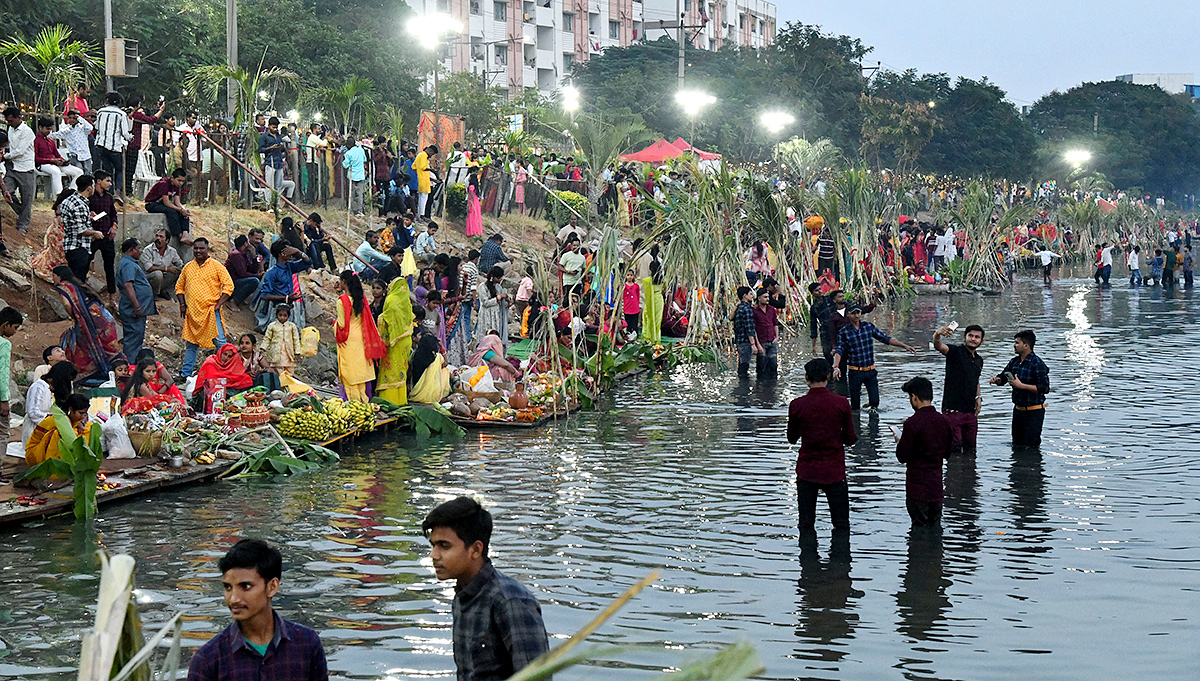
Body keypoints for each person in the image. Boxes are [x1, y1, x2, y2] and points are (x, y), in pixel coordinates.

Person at [422, 497, 549, 681]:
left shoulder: (511, 602)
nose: (434, 555)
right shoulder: (462, 597)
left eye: (444, 546)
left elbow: (537, 677)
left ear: (475, 549)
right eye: (433, 545)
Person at [187, 538, 328, 681]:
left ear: (272, 587)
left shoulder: (307, 644)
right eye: (228, 587)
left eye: (246, 586)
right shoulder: (208, 660)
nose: (234, 598)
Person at [787, 358, 856, 543]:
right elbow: (850, 439)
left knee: (806, 525)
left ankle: (809, 567)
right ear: (828, 376)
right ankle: (840, 566)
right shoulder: (841, 404)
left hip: (807, 470)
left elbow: (791, 438)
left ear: (807, 378)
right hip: (834, 470)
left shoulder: (797, 405)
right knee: (841, 525)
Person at [832, 305, 918, 412]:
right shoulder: (844, 332)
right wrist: (836, 367)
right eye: (853, 313)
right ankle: (856, 424)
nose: (856, 315)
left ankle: (872, 419)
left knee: (875, 402)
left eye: (858, 313)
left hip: (870, 370)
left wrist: (904, 346)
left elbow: (885, 338)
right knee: (855, 405)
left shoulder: (868, 327)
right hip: (855, 372)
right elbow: (839, 350)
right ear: (848, 315)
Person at [896, 376, 953, 527]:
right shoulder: (945, 421)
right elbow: (948, 453)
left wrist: (900, 442)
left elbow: (902, 456)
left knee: (919, 531)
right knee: (935, 528)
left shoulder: (911, 424)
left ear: (914, 397)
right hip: (936, 488)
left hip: (917, 488)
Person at [176, 238, 235, 378]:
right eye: (195, 248)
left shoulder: (217, 266)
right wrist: (182, 304)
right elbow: (179, 287)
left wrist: (219, 304)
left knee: (221, 343)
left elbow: (229, 286)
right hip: (192, 314)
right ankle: (186, 375)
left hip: (210, 312)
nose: (198, 251)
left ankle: (228, 373)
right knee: (191, 345)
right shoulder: (188, 267)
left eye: (201, 248)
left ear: (207, 249)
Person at [53, 266, 121, 381]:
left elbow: (67, 304)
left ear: (59, 276)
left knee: (82, 343)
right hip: (102, 316)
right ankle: (114, 370)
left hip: (89, 319)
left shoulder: (64, 286)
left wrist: (74, 318)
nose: (53, 279)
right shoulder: (78, 284)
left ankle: (92, 372)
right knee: (107, 346)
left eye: (53, 276)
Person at [990, 329, 1050, 448]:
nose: (1015, 345)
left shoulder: (1037, 363)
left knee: (1031, 446)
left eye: (1017, 343)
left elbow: (1045, 388)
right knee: (1017, 445)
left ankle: (1032, 466)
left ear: (1026, 345)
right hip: (1018, 410)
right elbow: (1004, 377)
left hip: (1034, 411)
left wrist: (1021, 386)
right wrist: (998, 380)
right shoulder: (1014, 362)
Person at [334, 271, 386, 402]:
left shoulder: (342, 301)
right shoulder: (361, 298)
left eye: (340, 280)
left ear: (344, 282)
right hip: (361, 337)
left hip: (348, 339)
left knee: (350, 371)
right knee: (360, 369)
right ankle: (364, 400)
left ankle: (351, 401)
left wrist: (332, 323)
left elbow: (341, 324)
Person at [933, 324, 984, 456]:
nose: (973, 339)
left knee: (971, 449)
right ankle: (953, 475)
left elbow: (975, 379)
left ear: (981, 341)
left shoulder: (979, 360)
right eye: (970, 336)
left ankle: (970, 475)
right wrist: (937, 335)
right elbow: (939, 346)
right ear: (965, 337)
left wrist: (978, 397)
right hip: (952, 411)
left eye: (977, 337)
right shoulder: (955, 352)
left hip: (970, 412)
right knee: (954, 449)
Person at [21, 362, 78, 454]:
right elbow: (33, 412)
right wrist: (51, 420)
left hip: (54, 429)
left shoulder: (58, 388)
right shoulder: (38, 387)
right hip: (36, 429)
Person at [24, 394, 94, 468]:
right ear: (70, 409)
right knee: (57, 435)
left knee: (88, 428)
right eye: (81, 413)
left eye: (85, 413)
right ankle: (54, 470)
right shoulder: (56, 420)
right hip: (35, 453)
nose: (83, 416)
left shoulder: (74, 420)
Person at [116, 238, 157, 364]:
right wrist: (137, 306)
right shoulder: (128, 264)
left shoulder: (129, 263)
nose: (141, 251)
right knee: (133, 341)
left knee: (136, 339)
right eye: (138, 248)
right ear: (131, 250)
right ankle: (130, 367)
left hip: (134, 309)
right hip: (133, 310)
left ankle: (132, 366)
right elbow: (128, 285)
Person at [255, 241, 311, 332]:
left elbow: (307, 263)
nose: (291, 252)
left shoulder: (289, 266)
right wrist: (286, 298)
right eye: (288, 250)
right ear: (281, 254)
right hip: (277, 310)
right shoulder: (272, 272)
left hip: (289, 309)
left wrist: (298, 252)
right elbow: (265, 295)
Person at [59, 174, 106, 281]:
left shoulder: (70, 200)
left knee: (74, 279)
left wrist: (87, 218)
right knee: (78, 280)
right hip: (78, 247)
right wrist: (95, 233)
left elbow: (73, 221)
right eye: (93, 185)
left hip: (70, 246)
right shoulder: (80, 205)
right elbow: (81, 230)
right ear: (89, 188)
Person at [376, 278, 415, 406]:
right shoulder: (406, 301)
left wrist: (380, 319)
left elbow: (388, 317)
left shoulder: (391, 299)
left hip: (393, 341)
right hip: (406, 341)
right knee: (401, 369)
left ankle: (389, 400)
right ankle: (400, 400)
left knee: (390, 369)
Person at [88, 170, 121, 297]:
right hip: (92, 238)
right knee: (86, 263)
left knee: (109, 267)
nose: (110, 184)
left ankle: (112, 295)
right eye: (107, 181)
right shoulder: (89, 197)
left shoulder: (108, 197)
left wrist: (114, 226)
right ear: (98, 181)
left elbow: (113, 214)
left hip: (107, 237)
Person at [35, 117, 84, 197]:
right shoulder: (36, 141)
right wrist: (51, 160)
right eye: (47, 129)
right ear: (40, 128)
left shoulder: (50, 141)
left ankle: (70, 193)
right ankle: (59, 196)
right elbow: (36, 159)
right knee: (56, 171)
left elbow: (57, 155)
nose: (49, 131)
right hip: (43, 165)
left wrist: (63, 161)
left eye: (50, 129)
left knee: (79, 172)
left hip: (55, 163)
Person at [92, 93, 131, 193]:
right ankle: (118, 190)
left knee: (107, 170)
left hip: (101, 145)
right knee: (119, 169)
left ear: (107, 101)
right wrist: (130, 138)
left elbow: (96, 126)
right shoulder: (121, 114)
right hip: (115, 147)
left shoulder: (100, 112)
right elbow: (125, 133)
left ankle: (110, 192)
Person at [145, 168, 193, 249]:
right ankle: (179, 235)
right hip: (152, 204)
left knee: (183, 213)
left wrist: (183, 210)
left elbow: (177, 202)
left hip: (162, 204)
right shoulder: (164, 184)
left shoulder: (176, 186)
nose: (181, 183)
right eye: (179, 180)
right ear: (172, 178)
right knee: (171, 212)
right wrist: (180, 209)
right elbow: (166, 202)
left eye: (182, 181)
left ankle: (185, 234)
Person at [261, 304, 301, 384]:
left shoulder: (292, 326)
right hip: (276, 352)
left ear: (288, 316)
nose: (282, 318)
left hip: (288, 353)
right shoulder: (272, 326)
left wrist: (297, 352)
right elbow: (267, 338)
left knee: (289, 370)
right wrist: (263, 348)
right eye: (280, 315)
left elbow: (296, 340)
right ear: (276, 315)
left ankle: (288, 385)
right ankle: (279, 385)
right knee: (278, 370)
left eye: (285, 315)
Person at [140, 228, 185, 299]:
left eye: (161, 237)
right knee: (158, 274)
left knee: (180, 272)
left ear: (167, 241)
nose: (158, 238)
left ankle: (164, 291)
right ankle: (153, 295)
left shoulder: (172, 251)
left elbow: (180, 264)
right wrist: (166, 269)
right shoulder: (148, 250)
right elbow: (149, 268)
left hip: (163, 279)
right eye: (157, 236)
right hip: (148, 279)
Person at [408, 333, 450, 404]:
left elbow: (409, 370)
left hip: (415, 392)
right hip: (433, 397)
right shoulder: (437, 357)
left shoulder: (414, 354)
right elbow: (445, 363)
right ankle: (441, 395)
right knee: (445, 371)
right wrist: (442, 347)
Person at [225, 235, 264, 310]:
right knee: (254, 281)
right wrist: (257, 275)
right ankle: (233, 301)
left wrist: (254, 256)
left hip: (237, 281)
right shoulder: (236, 255)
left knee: (256, 280)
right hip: (231, 282)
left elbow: (252, 270)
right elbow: (242, 274)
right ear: (246, 244)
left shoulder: (243, 255)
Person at [475, 266, 510, 346]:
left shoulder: (498, 287)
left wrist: (507, 303)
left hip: (495, 315)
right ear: (492, 277)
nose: (499, 280)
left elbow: (501, 303)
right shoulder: (482, 287)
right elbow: (486, 302)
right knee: (485, 335)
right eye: (498, 278)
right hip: (486, 314)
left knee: (494, 335)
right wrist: (499, 297)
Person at [731, 286, 759, 378]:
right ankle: (744, 385)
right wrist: (753, 344)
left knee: (742, 362)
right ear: (744, 296)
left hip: (739, 340)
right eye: (750, 294)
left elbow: (731, 318)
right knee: (745, 364)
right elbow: (749, 327)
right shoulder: (747, 309)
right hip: (745, 341)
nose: (752, 296)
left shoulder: (740, 308)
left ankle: (742, 384)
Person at [753, 288, 780, 379]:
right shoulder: (755, 311)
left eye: (768, 297)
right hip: (761, 341)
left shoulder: (771, 309)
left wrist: (777, 336)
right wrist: (758, 344)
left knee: (773, 364)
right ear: (759, 298)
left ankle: (772, 384)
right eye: (765, 297)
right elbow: (754, 329)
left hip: (772, 341)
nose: (767, 299)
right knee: (762, 365)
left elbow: (775, 323)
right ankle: (761, 385)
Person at [258, 116, 287, 198]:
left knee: (278, 186)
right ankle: (269, 205)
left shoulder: (278, 136)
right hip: (270, 163)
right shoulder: (264, 137)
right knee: (269, 186)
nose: (275, 129)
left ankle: (276, 205)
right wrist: (270, 148)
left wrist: (281, 147)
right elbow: (260, 149)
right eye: (273, 127)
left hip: (279, 162)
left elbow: (282, 150)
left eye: (276, 127)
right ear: (269, 126)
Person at [342, 136, 367, 216]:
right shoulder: (361, 150)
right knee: (360, 194)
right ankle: (360, 211)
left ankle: (351, 211)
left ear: (348, 145)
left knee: (351, 194)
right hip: (361, 175)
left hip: (352, 175)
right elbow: (364, 159)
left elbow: (345, 165)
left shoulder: (348, 153)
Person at [558, 238, 585, 304]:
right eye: (574, 245)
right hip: (568, 282)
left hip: (577, 283)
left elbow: (583, 270)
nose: (575, 247)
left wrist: (582, 281)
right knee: (567, 301)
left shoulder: (582, 258)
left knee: (576, 301)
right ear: (571, 246)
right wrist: (568, 272)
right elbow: (560, 266)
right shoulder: (566, 255)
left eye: (577, 245)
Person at [413, 144, 437, 218]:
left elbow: (414, 167)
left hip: (421, 179)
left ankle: (420, 214)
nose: (431, 155)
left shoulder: (419, 155)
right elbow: (423, 167)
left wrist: (418, 173)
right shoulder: (424, 155)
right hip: (424, 180)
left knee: (421, 198)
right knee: (423, 198)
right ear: (430, 151)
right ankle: (422, 215)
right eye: (432, 154)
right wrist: (431, 169)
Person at [620, 269, 641, 336]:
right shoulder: (624, 286)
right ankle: (628, 336)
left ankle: (635, 336)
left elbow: (638, 296)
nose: (630, 277)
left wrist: (638, 305)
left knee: (635, 324)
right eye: (628, 275)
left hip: (635, 308)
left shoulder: (636, 286)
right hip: (627, 308)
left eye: (631, 275)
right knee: (628, 324)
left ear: (634, 276)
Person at [465, 166, 483, 237]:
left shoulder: (471, 186)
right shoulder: (476, 186)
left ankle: (472, 230)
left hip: (472, 202)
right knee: (476, 216)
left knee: (472, 216)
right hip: (476, 201)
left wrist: (469, 205)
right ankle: (476, 230)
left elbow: (471, 196)